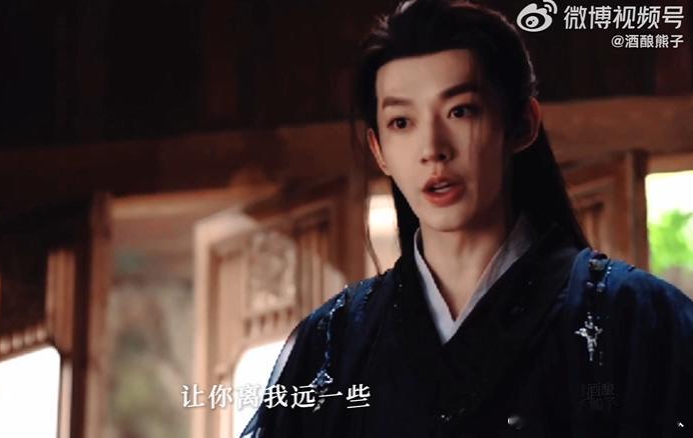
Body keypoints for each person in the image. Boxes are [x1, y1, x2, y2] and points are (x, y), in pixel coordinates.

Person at [240, 0, 693, 437]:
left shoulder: (636, 318)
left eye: (460, 111)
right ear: (379, 150)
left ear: (522, 124)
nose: (432, 149)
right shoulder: (332, 344)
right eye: (402, 122)